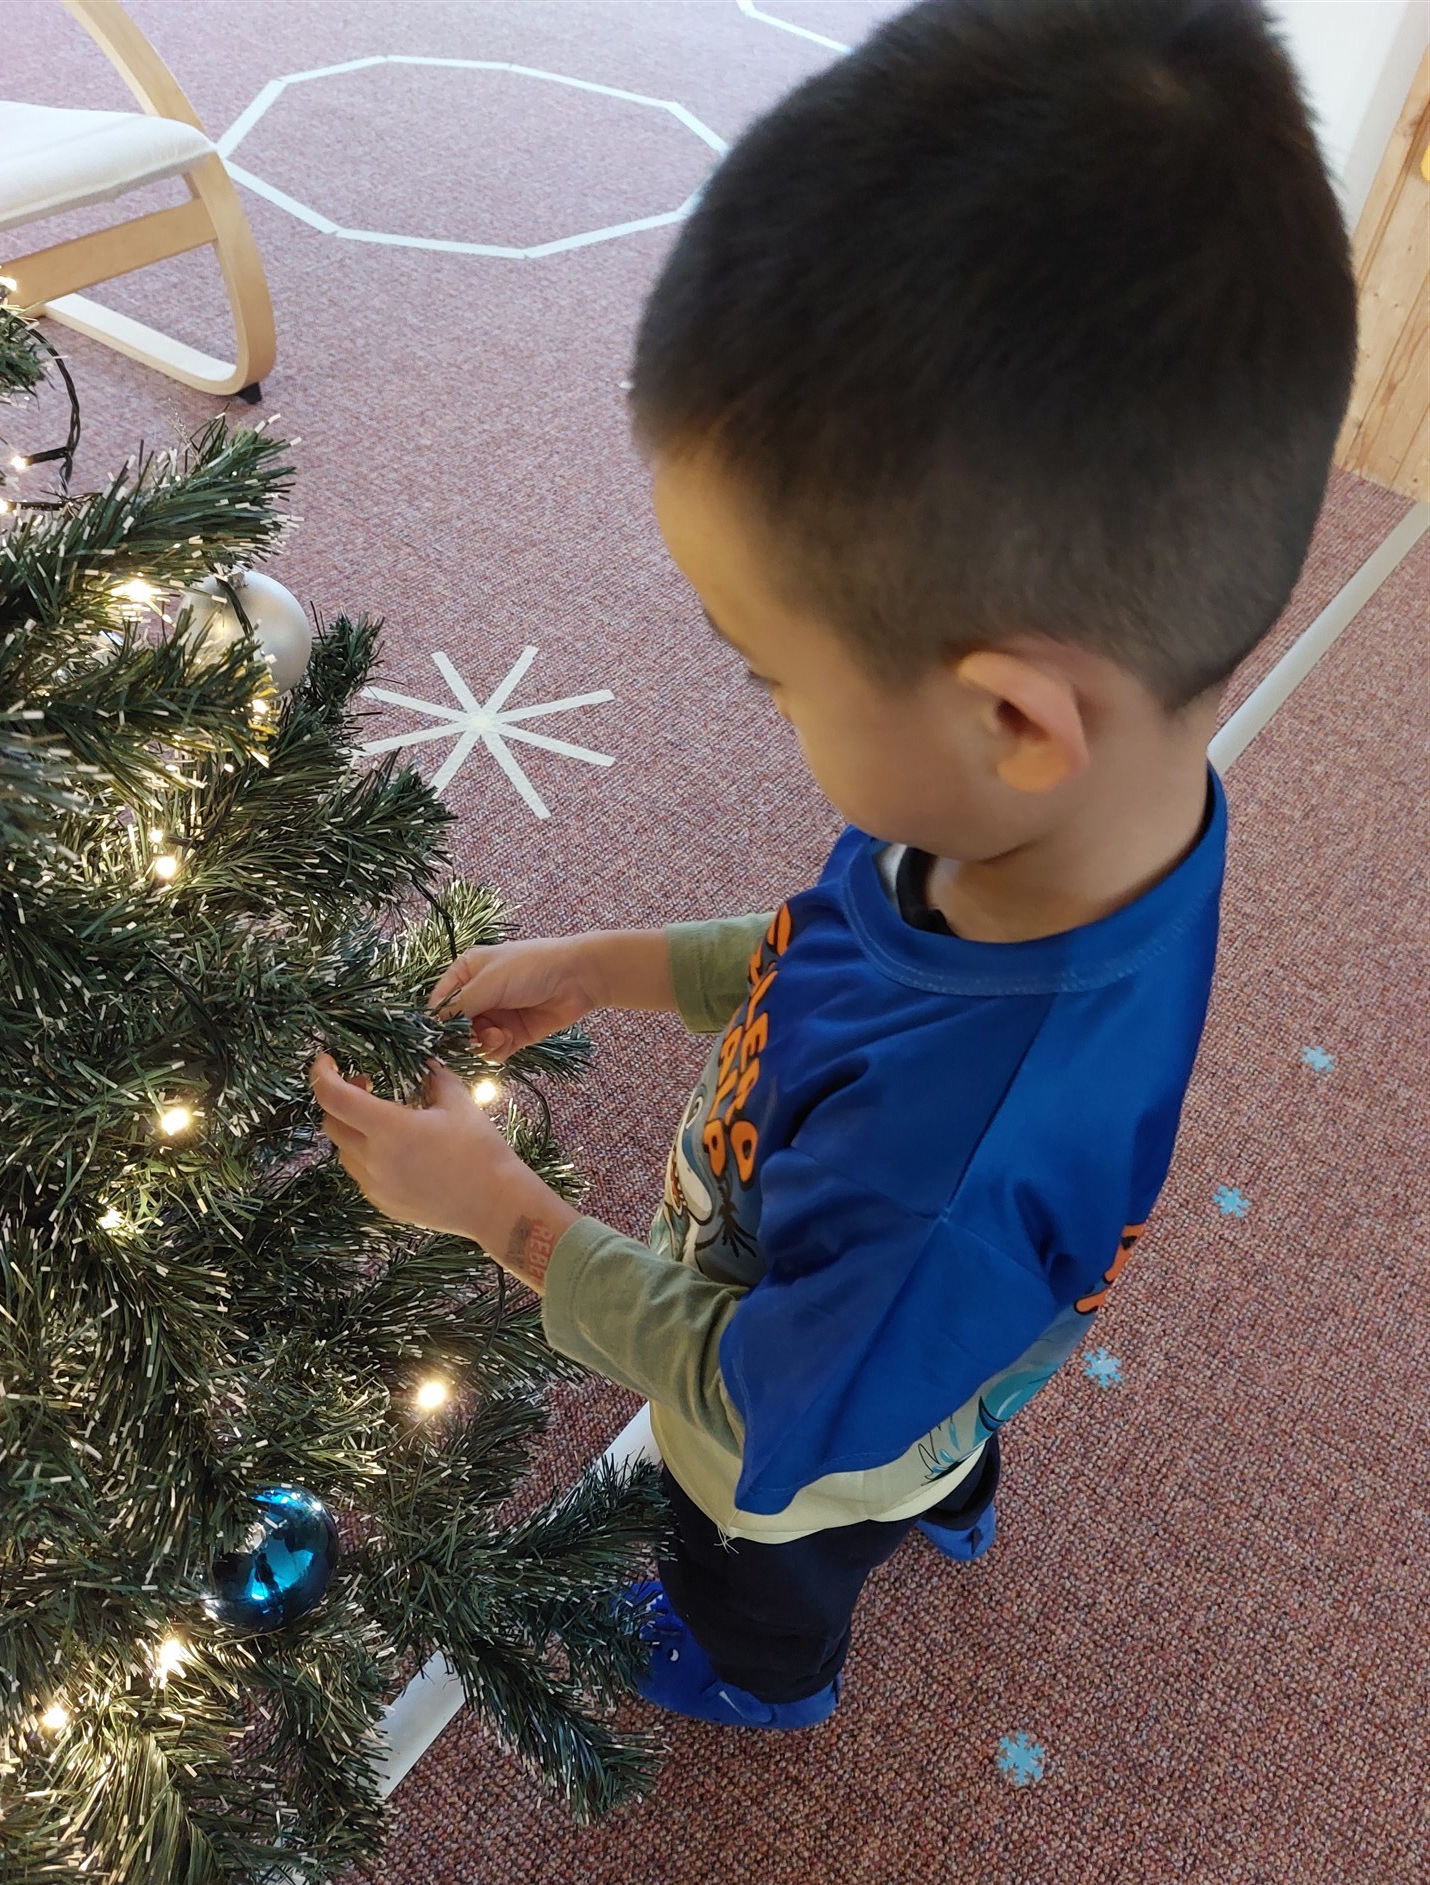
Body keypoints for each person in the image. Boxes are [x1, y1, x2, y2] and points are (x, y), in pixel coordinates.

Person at [312, 0, 1356, 1730]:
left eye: (770, 677)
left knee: (774, 1533)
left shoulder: (950, 1155)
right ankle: (950, 1474)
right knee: (931, 1379)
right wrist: (616, 964)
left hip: (804, 1420)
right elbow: (840, 946)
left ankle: (765, 1666)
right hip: (917, 1322)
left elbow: (750, 1403)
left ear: (1012, 717)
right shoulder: (1054, 825)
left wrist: (498, 1212)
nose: (771, 708)